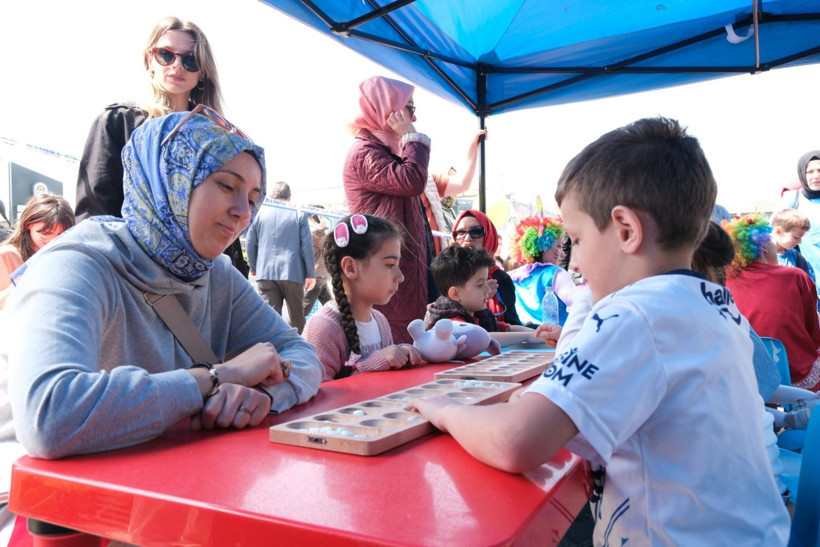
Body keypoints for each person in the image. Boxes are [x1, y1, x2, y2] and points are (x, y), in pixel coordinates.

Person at [408, 117, 790, 545]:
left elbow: (516, 441)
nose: (576, 263)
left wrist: (443, 409)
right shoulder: (714, 306)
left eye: (578, 239)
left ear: (626, 230)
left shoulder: (634, 314)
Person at [2, 110, 322, 461]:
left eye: (251, 197)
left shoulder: (218, 274)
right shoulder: (78, 263)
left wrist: (264, 394)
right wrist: (217, 378)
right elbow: (47, 416)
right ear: (171, 180)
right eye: (227, 185)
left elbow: (301, 354)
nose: (243, 212)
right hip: (31, 502)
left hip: (155, 491)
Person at [74, 16, 248, 276]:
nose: (177, 66)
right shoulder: (118, 122)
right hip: (137, 280)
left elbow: (229, 213)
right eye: (166, 55)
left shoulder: (219, 136)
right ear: (149, 59)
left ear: (203, 72)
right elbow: (95, 213)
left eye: (190, 60)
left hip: (208, 279)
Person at [342, 75, 432, 344]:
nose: (412, 119)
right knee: (390, 361)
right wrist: (412, 139)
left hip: (398, 281)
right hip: (382, 281)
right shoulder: (364, 152)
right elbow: (412, 181)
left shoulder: (386, 152)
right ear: (386, 108)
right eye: (409, 108)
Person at [302, 214, 421, 381]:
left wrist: (400, 355)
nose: (400, 276)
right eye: (390, 265)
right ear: (350, 267)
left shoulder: (380, 321)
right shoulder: (323, 328)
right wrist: (376, 362)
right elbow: (318, 395)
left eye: (398, 265)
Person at [724, 214, 820, 392]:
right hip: (794, 369)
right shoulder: (795, 276)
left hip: (748, 372)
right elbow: (813, 331)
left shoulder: (725, 282)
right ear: (764, 248)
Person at [425, 245, 537, 345]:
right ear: (455, 293)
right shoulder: (449, 320)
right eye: (480, 285)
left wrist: (539, 334)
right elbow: (480, 338)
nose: (488, 290)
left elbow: (506, 329)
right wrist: (527, 336)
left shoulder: (478, 313)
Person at [246, 182, 315, 334]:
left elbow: (250, 242)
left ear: (271, 196)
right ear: (289, 197)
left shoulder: (259, 213)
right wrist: (310, 273)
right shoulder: (298, 213)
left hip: (265, 273)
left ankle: (274, 354)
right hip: (292, 272)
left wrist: (254, 267)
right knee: (297, 319)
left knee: (270, 320)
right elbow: (306, 245)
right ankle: (299, 354)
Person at [0, 193, 75, 310]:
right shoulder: (7, 255)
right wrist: (19, 287)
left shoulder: (62, 256)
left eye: (60, 235)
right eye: (45, 233)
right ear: (28, 224)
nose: (52, 240)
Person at [451, 209, 523, 326]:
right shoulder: (445, 274)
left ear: (489, 237)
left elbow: (511, 322)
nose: (468, 238)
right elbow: (451, 325)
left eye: (476, 231)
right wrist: (477, 299)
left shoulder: (501, 278)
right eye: (461, 232)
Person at [421, 130, 487, 254]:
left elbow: (462, 183)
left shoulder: (430, 180)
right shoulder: (391, 175)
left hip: (434, 260)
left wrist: (474, 146)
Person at [509, 214, 577, 326]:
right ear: (545, 245)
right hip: (551, 340)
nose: (563, 254)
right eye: (559, 246)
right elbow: (579, 305)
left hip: (521, 339)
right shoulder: (556, 274)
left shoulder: (513, 276)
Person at [779, 150, 820, 304]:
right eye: (810, 171)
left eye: (819, 170)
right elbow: (775, 233)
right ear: (803, 174)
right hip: (808, 283)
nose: (815, 175)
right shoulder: (793, 199)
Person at [302, 208, 333, 318]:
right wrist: (325, 227)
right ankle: (291, 330)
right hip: (318, 274)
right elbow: (329, 244)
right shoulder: (315, 230)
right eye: (322, 216)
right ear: (317, 217)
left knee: (330, 306)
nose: (324, 218)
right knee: (304, 309)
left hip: (320, 275)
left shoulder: (309, 229)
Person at [770, 208, 814, 281]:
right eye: (796, 237)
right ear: (778, 231)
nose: (799, 242)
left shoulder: (797, 257)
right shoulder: (759, 256)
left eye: (801, 238)